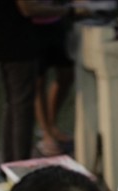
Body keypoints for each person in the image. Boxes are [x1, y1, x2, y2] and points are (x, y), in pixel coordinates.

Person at [0, 1, 72, 163]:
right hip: (18, 44)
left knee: (13, 104)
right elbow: (28, 8)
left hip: (0, 42)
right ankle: (21, 161)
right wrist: (67, 10)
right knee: (22, 107)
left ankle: (9, 160)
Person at [33, 9, 75, 156]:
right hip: (33, 26)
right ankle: (46, 132)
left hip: (55, 22)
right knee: (38, 80)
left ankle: (51, 125)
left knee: (67, 73)